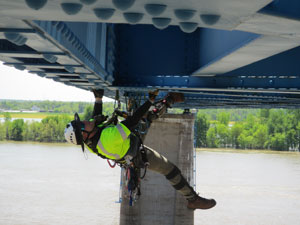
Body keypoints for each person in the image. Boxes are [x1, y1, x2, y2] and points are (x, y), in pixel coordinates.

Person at [64, 89, 216, 210]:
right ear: (84, 134)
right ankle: (192, 200)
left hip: (129, 141)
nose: (84, 121)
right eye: (81, 124)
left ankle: (170, 99)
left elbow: (95, 117)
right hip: (137, 153)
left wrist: (98, 99)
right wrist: (149, 100)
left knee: (148, 118)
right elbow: (132, 121)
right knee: (170, 169)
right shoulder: (107, 139)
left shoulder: (90, 134)